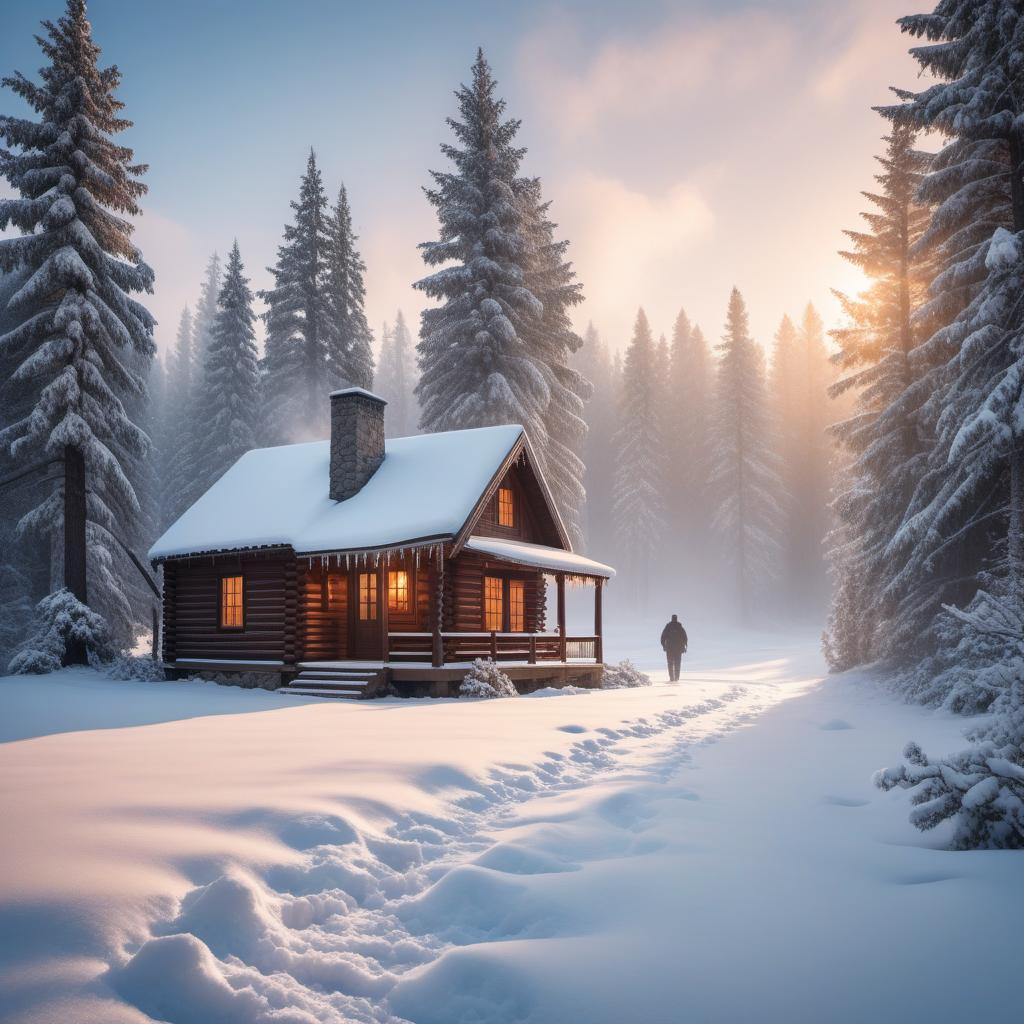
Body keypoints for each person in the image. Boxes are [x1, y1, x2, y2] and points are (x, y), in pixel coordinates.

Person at [660, 614, 688, 682]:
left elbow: (662, 637)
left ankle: (671, 678)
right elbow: (685, 638)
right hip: (678, 649)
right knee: (677, 663)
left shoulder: (668, 626)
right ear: (676, 619)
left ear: (671, 618)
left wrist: (664, 646)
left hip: (669, 649)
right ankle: (677, 678)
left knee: (670, 663)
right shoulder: (680, 627)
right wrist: (685, 646)